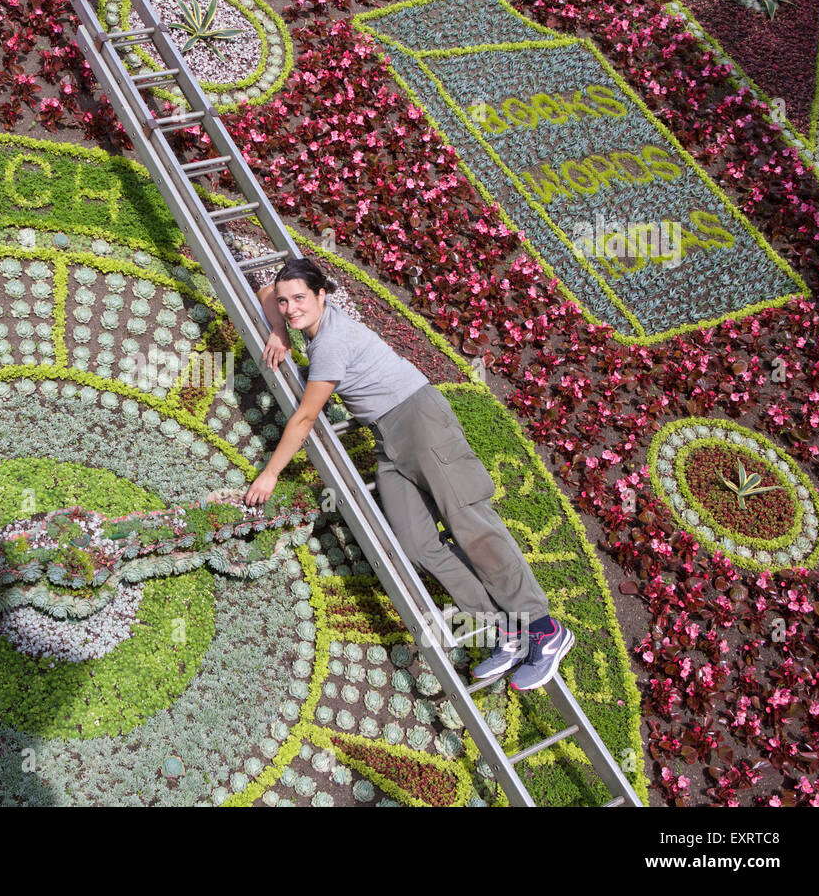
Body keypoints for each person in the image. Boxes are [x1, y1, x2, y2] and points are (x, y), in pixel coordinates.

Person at [240, 258, 573, 690]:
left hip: (419, 419)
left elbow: (305, 418)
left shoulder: (330, 344)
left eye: (300, 298)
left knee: (471, 525)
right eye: (287, 301)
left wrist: (269, 475)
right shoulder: (304, 320)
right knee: (416, 544)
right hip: (386, 435)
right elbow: (267, 292)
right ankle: (504, 629)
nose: (289, 307)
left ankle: (544, 630)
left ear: (323, 295)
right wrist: (279, 330)